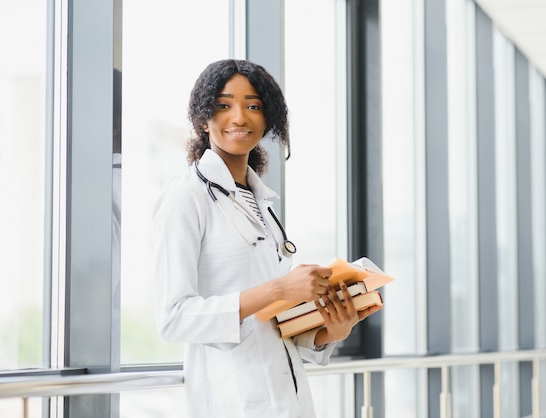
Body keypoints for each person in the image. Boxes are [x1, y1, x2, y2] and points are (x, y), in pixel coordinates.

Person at [153, 59, 381, 418]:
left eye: (254, 106)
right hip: (233, 400)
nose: (240, 117)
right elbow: (175, 318)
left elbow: (272, 326)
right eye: (224, 105)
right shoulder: (186, 196)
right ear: (202, 118)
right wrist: (279, 289)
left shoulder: (260, 201)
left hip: (288, 400)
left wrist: (330, 332)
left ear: (268, 118)